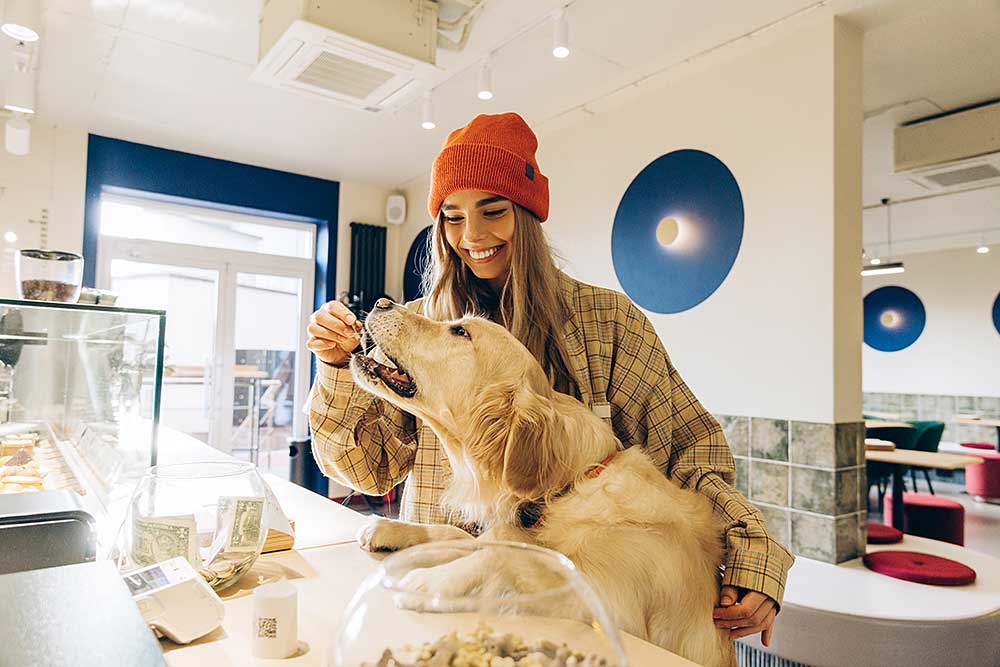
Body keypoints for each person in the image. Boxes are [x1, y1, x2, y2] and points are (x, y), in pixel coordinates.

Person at [307, 112, 793, 646]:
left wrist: (755, 555)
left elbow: (692, 452)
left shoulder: (607, 323)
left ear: (528, 214)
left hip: (567, 633)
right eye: (451, 216)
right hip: (432, 614)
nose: (472, 235)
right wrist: (335, 369)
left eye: (493, 210)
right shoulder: (421, 331)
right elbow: (366, 470)